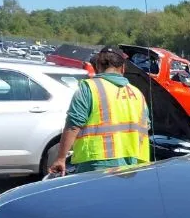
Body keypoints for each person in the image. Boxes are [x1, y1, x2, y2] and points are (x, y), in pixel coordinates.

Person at [48, 46, 150, 174]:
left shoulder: (89, 88)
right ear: (123, 68)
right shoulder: (137, 94)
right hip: (133, 166)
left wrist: (61, 158)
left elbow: (73, 125)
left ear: (98, 65)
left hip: (96, 164)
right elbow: (146, 126)